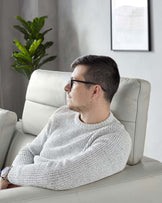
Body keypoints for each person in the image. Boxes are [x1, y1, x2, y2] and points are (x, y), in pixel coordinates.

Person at [0, 55, 132, 190]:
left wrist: (9, 174)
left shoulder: (115, 140)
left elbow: (58, 176)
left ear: (95, 91)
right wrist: (11, 182)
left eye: (73, 82)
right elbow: (29, 150)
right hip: (17, 188)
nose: (66, 87)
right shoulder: (62, 114)